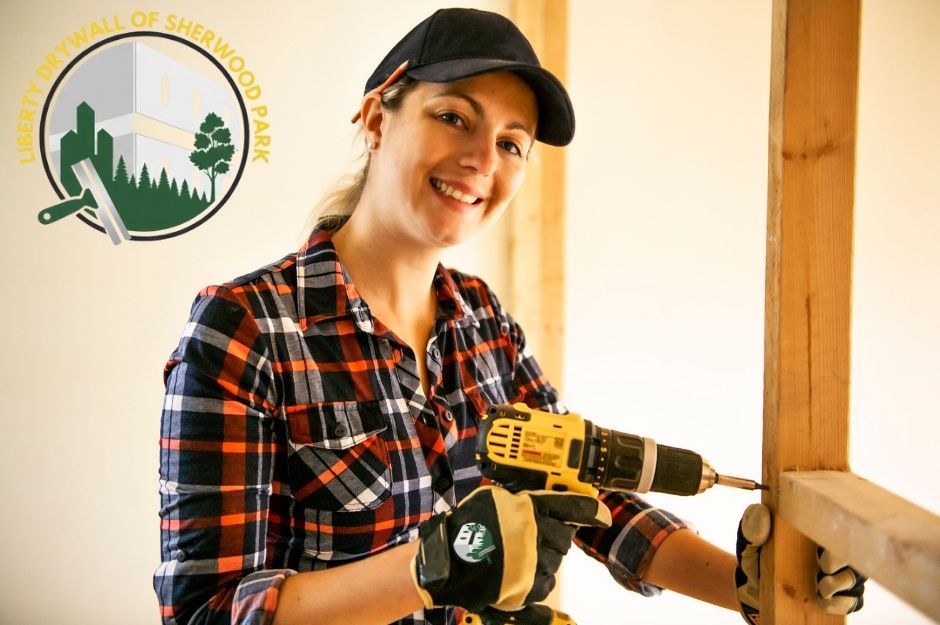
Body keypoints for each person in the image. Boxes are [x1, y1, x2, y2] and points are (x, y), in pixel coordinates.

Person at [155, 8, 865, 625]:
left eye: (510, 143)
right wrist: (429, 567)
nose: (479, 161)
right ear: (377, 116)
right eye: (453, 117)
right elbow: (208, 610)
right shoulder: (247, 327)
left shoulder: (483, 321)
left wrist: (756, 588)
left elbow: (587, 495)